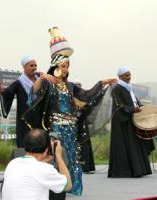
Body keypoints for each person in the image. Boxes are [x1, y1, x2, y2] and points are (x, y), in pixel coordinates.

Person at [24, 27, 115, 195]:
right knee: (56, 157)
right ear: (56, 66)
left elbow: (87, 95)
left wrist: (102, 83)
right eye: (63, 66)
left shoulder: (70, 86)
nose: (66, 69)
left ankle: (72, 186)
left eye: (67, 66)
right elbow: (32, 97)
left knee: (72, 158)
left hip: (71, 128)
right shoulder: (48, 83)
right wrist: (42, 78)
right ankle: (54, 188)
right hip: (55, 128)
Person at [108, 66, 155, 178]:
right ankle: (128, 171)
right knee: (128, 145)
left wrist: (142, 107)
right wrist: (133, 109)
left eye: (129, 75)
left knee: (135, 144)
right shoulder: (117, 89)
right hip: (123, 122)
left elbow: (134, 101)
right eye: (126, 75)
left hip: (131, 119)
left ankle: (140, 169)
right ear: (120, 77)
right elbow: (119, 106)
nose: (129, 77)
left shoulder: (128, 88)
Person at [2, 129, 72, 200]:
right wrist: (59, 156)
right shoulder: (45, 169)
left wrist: (42, 161)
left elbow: (32, 170)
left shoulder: (13, 163)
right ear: (46, 149)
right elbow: (68, 185)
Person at [0, 55, 41, 147]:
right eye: (31, 65)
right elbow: (8, 94)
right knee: (26, 144)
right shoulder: (19, 82)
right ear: (24, 67)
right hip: (25, 119)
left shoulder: (40, 79)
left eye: (35, 65)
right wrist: (3, 91)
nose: (34, 67)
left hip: (39, 117)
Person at [74, 79, 96, 173]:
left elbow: (90, 106)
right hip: (75, 123)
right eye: (76, 85)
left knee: (85, 144)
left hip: (83, 122)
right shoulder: (71, 96)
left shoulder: (84, 96)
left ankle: (87, 166)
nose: (78, 86)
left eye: (80, 84)